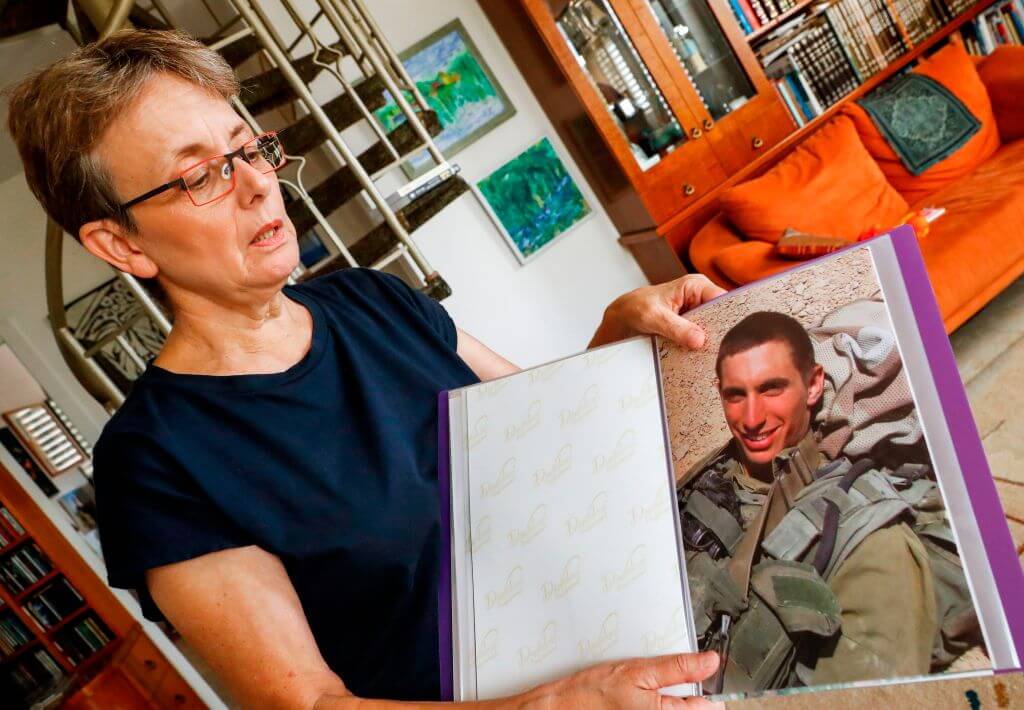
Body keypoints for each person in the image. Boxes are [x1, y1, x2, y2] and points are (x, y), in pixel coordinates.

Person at [6, 30, 726, 708]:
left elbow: (545, 444)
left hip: (628, 655)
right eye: (200, 176)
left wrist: (616, 333)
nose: (257, 184)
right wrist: (556, 704)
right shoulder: (153, 462)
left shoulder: (368, 297)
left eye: (249, 147)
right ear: (122, 245)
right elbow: (311, 702)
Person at [675, 310, 977, 695]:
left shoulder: (872, 544)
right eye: (736, 395)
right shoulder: (718, 475)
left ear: (814, 385)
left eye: (771, 389)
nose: (751, 419)